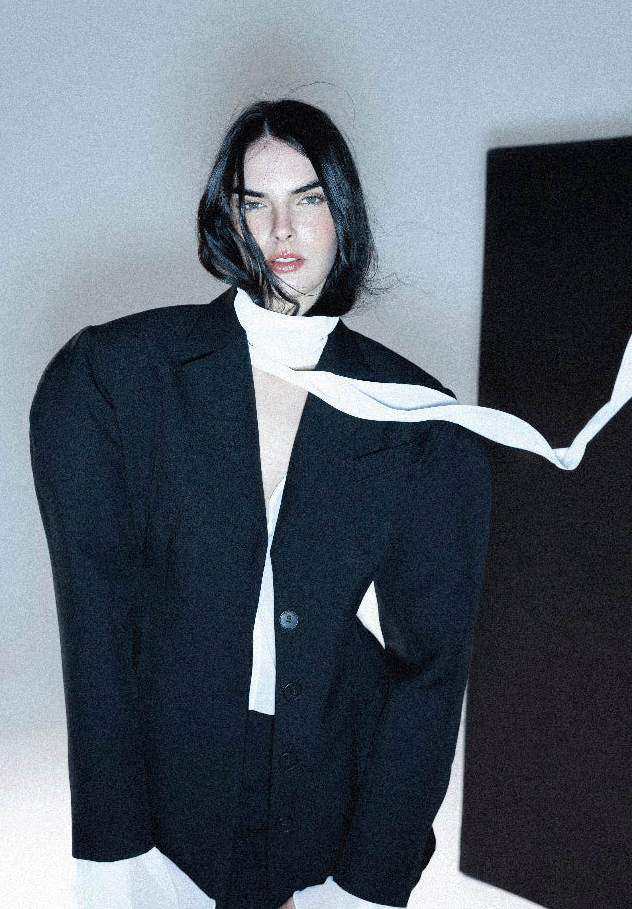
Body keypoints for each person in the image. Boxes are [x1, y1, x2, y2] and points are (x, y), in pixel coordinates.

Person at [29, 99, 494, 909]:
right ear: (229, 216)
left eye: (308, 198)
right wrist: (112, 847)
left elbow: (432, 671)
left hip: (333, 797)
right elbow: (95, 626)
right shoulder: (116, 376)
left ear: (343, 212)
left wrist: (368, 881)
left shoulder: (421, 421)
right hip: (165, 795)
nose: (282, 230)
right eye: (256, 202)